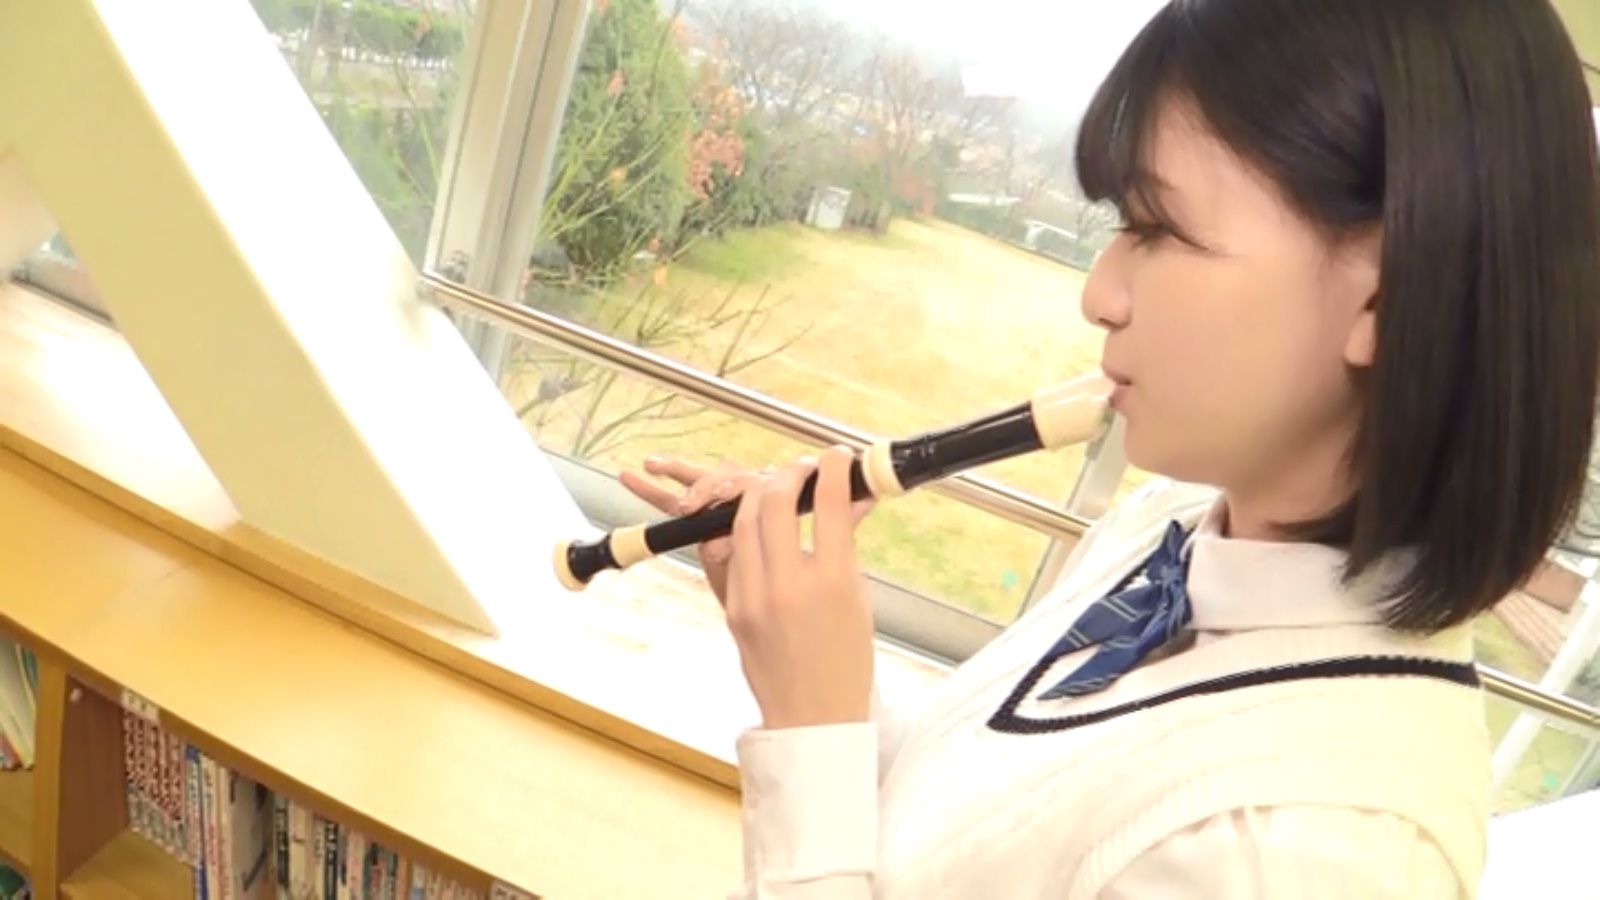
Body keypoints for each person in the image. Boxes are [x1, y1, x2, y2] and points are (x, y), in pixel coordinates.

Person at [622, 0, 1600, 896]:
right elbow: (978, 842)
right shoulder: (1167, 530)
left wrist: (811, 735)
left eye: (1156, 228)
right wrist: (814, 661)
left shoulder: (1306, 850)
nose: (1099, 294)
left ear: (1384, 297)